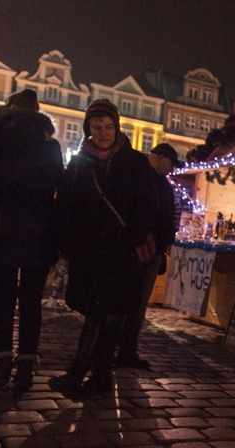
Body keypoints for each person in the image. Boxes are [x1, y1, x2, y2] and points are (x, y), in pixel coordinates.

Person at [51, 99, 157, 394]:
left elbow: (148, 206)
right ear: (88, 128)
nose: (103, 132)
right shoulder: (79, 163)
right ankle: (101, 377)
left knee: (103, 312)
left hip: (120, 253)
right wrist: (68, 244)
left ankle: (78, 373)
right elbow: (66, 206)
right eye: (97, 127)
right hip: (88, 252)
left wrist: (131, 239)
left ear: (117, 127)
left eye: (109, 127)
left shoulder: (135, 162)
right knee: (101, 313)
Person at [0, 89, 62, 393]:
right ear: (38, 112)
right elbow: (57, 184)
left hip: (2, 227)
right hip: (39, 230)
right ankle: (26, 365)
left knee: (2, 297)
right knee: (31, 301)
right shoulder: (49, 145)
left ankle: (2, 361)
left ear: (8, 109)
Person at [109, 143, 178, 370]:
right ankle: (112, 349)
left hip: (155, 250)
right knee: (127, 301)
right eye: (171, 162)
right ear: (159, 157)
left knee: (138, 304)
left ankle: (127, 349)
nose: (172, 168)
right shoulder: (141, 177)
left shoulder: (161, 182)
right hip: (139, 248)